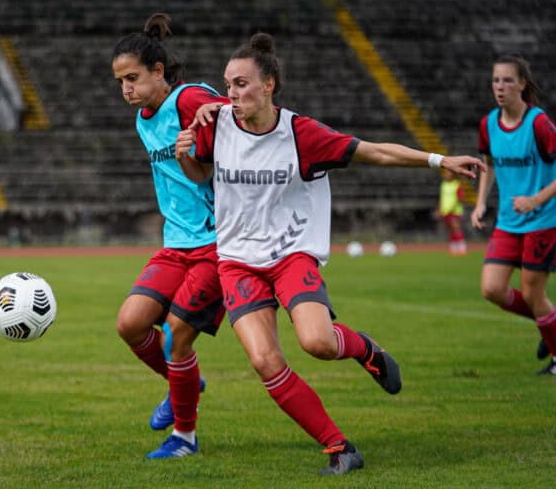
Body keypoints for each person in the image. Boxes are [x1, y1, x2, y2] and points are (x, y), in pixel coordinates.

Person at [174, 33, 485, 475]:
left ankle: (365, 350)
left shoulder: (302, 133)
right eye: (227, 84)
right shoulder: (216, 123)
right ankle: (340, 449)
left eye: (242, 83)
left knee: (317, 342)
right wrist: (187, 157)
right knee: (265, 362)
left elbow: (374, 152)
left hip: (291, 256)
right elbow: (202, 174)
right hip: (238, 261)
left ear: (269, 86)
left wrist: (438, 161)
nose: (231, 93)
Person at [111, 13, 230, 459]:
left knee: (176, 335)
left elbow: (234, 104)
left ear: (158, 72)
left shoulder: (187, 98)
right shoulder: (144, 117)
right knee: (130, 323)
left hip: (216, 244)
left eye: (133, 77)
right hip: (175, 243)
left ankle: (184, 438)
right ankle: (185, 382)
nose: (126, 87)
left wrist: (212, 106)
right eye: (120, 80)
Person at [471, 54, 556, 375]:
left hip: (543, 220)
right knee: (491, 288)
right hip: (508, 221)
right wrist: (481, 203)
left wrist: (536, 200)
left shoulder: (539, 123)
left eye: (508, 80)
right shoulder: (488, 123)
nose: (500, 87)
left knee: (534, 293)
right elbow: (489, 164)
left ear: (522, 84)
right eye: (496, 80)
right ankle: (550, 324)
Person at [434, 168, 468, 255]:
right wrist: (438, 209)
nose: (446, 175)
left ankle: (462, 247)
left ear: (452, 174)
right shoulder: (443, 185)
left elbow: (460, 198)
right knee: (450, 230)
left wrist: (453, 207)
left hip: (454, 211)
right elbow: (441, 199)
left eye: (447, 173)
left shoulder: (456, 184)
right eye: (445, 173)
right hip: (445, 211)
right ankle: (453, 248)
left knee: (456, 229)